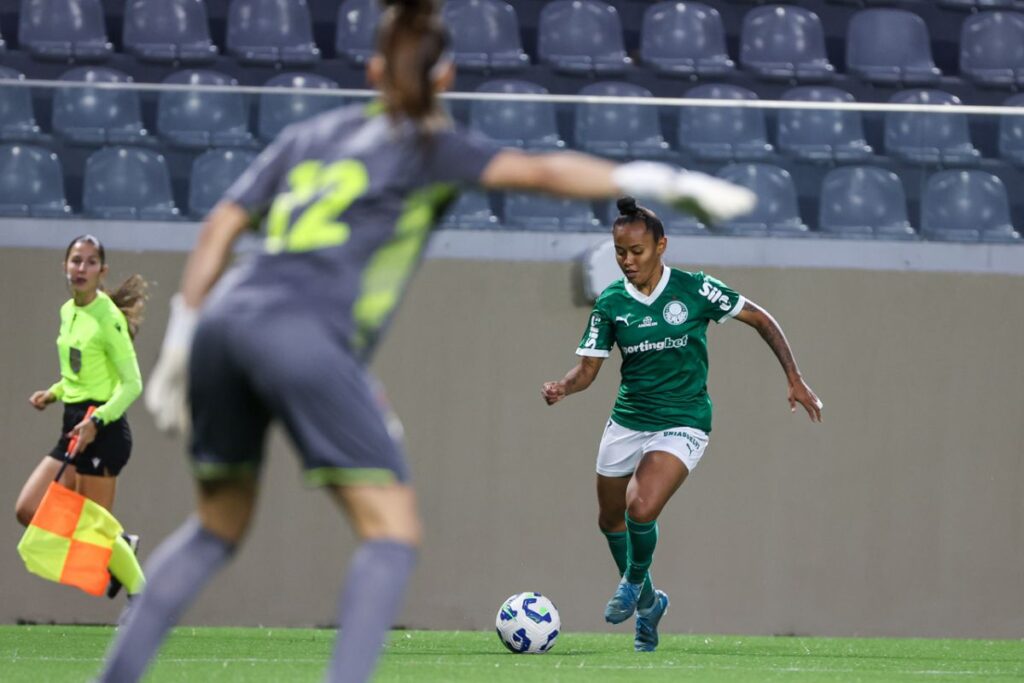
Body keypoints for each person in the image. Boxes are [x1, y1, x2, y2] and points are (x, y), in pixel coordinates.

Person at [96, 0, 758, 680]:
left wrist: (183, 325)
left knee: (214, 526)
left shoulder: (310, 135)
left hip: (221, 321)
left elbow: (220, 226)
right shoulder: (431, 146)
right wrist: (648, 180)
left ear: (373, 68)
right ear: (446, 77)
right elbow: (544, 171)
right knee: (390, 533)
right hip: (306, 334)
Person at [542, 197, 823, 653]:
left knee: (640, 506)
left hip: (684, 420)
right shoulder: (612, 303)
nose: (627, 261)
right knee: (609, 518)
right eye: (619, 252)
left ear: (661, 245)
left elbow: (760, 318)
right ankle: (651, 605)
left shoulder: (695, 289)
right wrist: (562, 387)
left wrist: (794, 377)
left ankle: (633, 581)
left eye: (636, 251)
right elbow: (588, 371)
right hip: (628, 422)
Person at [15, 234, 148, 601]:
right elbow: (78, 375)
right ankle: (121, 546)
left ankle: (143, 601)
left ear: (101, 271)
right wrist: (53, 392)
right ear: (65, 266)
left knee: (94, 530)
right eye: (76, 260)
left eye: (90, 262)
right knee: (28, 509)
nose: (81, 268)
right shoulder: (68, 311)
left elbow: (132, 384)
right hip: (74, 425)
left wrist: (97, 422)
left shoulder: (108, 319)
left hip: (102, 429)